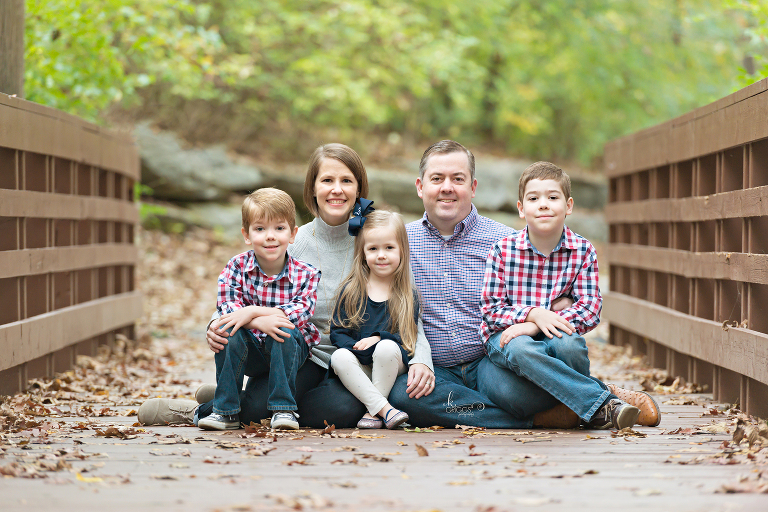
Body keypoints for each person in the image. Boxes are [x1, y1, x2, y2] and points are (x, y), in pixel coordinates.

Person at [138, 143, 434, 428]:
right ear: (312, 188)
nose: (337, 189)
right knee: (263, 409)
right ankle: (205, 408)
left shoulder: (376, 240)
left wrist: (422, 360)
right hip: (303, 355)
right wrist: (217, 324)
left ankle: (239, 397)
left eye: (347, 180)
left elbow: (407, 306)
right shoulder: (292, 239)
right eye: (327, 180)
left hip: (356, 359)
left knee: (343, 410)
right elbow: (248, 286)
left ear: (359, 188)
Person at [389, 140, 660, 429]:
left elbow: (549, 289)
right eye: (437, 179)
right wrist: (417, 358)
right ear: (420, 186)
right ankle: (580, 404)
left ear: (473, 187)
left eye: (458, 179)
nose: (447, 187)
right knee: (402, 396)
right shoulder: (400, 244)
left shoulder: (505, 240)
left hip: (492, 362)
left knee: (518, 394)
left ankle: (566, 401)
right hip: (436, 368)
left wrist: (557, 306)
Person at [480, 161, 644, 429]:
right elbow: (491, 309)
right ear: (521, 209)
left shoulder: (582, 251)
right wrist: (531, 315)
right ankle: (602, 404)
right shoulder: (503, 250)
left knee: (569, 345)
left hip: (554, 332)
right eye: (533, 198)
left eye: (552, 197)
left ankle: (582, 407)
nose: (543, 204)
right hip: (506, 338)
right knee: (521, 347)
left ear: (568, 206)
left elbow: (590, 309)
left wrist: (535, 324)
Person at [195, 188, 320, 430]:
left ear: (293, 234)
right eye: (260, 229)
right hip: (250, 348)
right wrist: (257, 322)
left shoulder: (307, 273)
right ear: (247, 235)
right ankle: (225, 411)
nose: (270, 236)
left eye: (279, 228)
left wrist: (251, 312)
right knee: (227, 331)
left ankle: (284, 410)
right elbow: (228, 308)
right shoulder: (236, 267)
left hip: (290, 351)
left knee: (283, 329)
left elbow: (301, 312)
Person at [330, 210, 421, 429]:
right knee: (339, 357)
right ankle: (385, 411)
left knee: (386, 347)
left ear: (402, 250)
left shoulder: (406, 294)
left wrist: (379, 339)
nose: (381, 255)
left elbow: (406, 339)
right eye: (373, 248)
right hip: (359, 364)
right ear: (362, 253)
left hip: (390, 363)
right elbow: (337, 332)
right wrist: (356, 349)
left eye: (389, 248)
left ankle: (373, 412)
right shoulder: (351, 290)